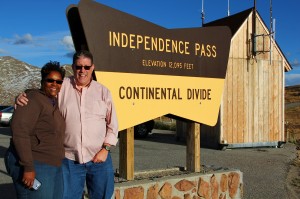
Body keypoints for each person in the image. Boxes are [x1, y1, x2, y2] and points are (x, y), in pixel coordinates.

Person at [17, 50, 119, 199]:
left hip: (99, 159)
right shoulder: (62, 85)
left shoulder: (103, 92)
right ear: (73, 67)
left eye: (86, 67)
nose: (82, 71)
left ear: (92, 68)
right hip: (69, 160)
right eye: (78, 67)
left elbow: (113, 125)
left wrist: (105, 149)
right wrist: (22, 96)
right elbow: (42, 93)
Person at [5, 61, 66, 199]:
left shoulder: (52, 102)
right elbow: (20, 131)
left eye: (58, 82)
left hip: (53, 163)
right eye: (50, 80)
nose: (54, 84)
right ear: (42, 80)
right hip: (36, 163)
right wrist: (28, 167)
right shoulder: (32, 99)